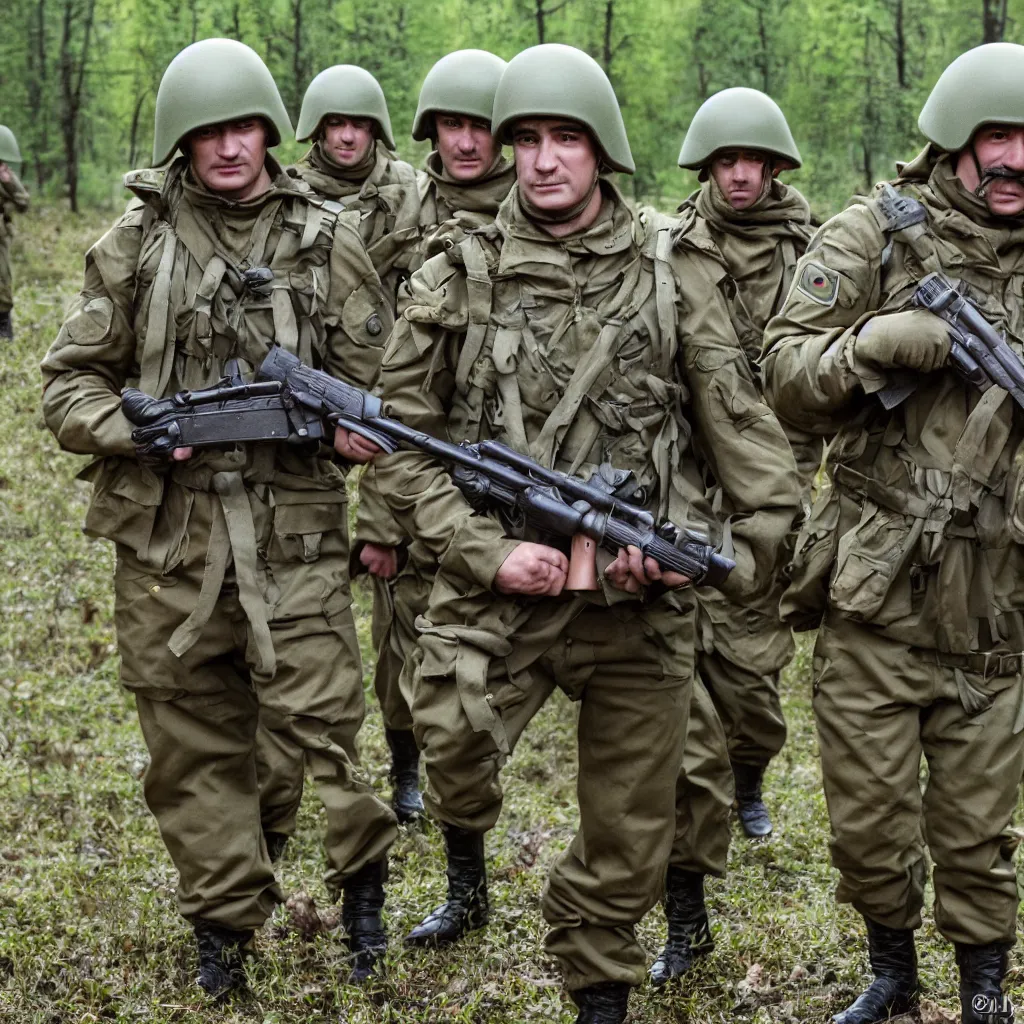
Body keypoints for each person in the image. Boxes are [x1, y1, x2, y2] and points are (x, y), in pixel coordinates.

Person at [369, 43, 800, 1024]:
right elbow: (400, 445)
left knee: (634, 820)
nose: (542, 159)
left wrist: (713, 552)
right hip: (497, 583)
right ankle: (467, 868)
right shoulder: (454, 270)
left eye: (566, 138)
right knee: (450, 740)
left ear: (601, 151)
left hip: (636, 596)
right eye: (525, 139)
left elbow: (742, 437)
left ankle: (598, 982)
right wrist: (480, 550)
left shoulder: (671, 269)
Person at [39, 38, 398, 998]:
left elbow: (383, 389)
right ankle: (224, 929)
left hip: (298, 535)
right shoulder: (133, 245)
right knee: (192, 743)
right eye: (211, 131)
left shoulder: (328, 239)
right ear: (181, 143)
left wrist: (357, 442)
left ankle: (361, 887)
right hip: (168, 544)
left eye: (246, 127)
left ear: (271, 134)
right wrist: (131, 429)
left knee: (315, 732)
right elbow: (68, 384)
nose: (231, 146)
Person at [762, 41, 1024, 1024]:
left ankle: (985, 987)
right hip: (873, 592)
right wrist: (863, 348)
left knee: (975, 825)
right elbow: (782, 373)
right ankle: (891, 972)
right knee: (868, 824)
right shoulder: (872, 237)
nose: (1017, 159)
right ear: (953, 140)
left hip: (999, 599)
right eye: (998, 137)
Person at [647, 86, 816, 987]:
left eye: (755, 160)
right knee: (682, 715)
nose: (741, 174)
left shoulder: (817, 252)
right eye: (725, 160)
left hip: (776, 491)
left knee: (751, 688)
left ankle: (752, 773)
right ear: (705, 167)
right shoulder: (671, 249)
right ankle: (688, 905)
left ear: (777, 167)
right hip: (683, 489)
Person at [352, 48, 516, 824]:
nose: (466, 141)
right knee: (402, 626)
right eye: (451, 124)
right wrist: (380, 516)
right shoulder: (397, 215)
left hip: (514, 456)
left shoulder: (538, 206)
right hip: (417, 447)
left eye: (481, 125)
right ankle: (406, 762)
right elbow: (374, 366)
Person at [289, 64, 421, 310]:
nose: (347, 137)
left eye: (359, 125)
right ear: (318, 129)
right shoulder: (291, 196)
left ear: (374, 130)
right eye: (336, 123)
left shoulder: (411, 187)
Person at [0, 125, 29, 341]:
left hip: (0, 235)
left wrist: (8, 182)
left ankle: (4, 330)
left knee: (2, 280)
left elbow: (24, 202)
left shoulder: (5, 174)